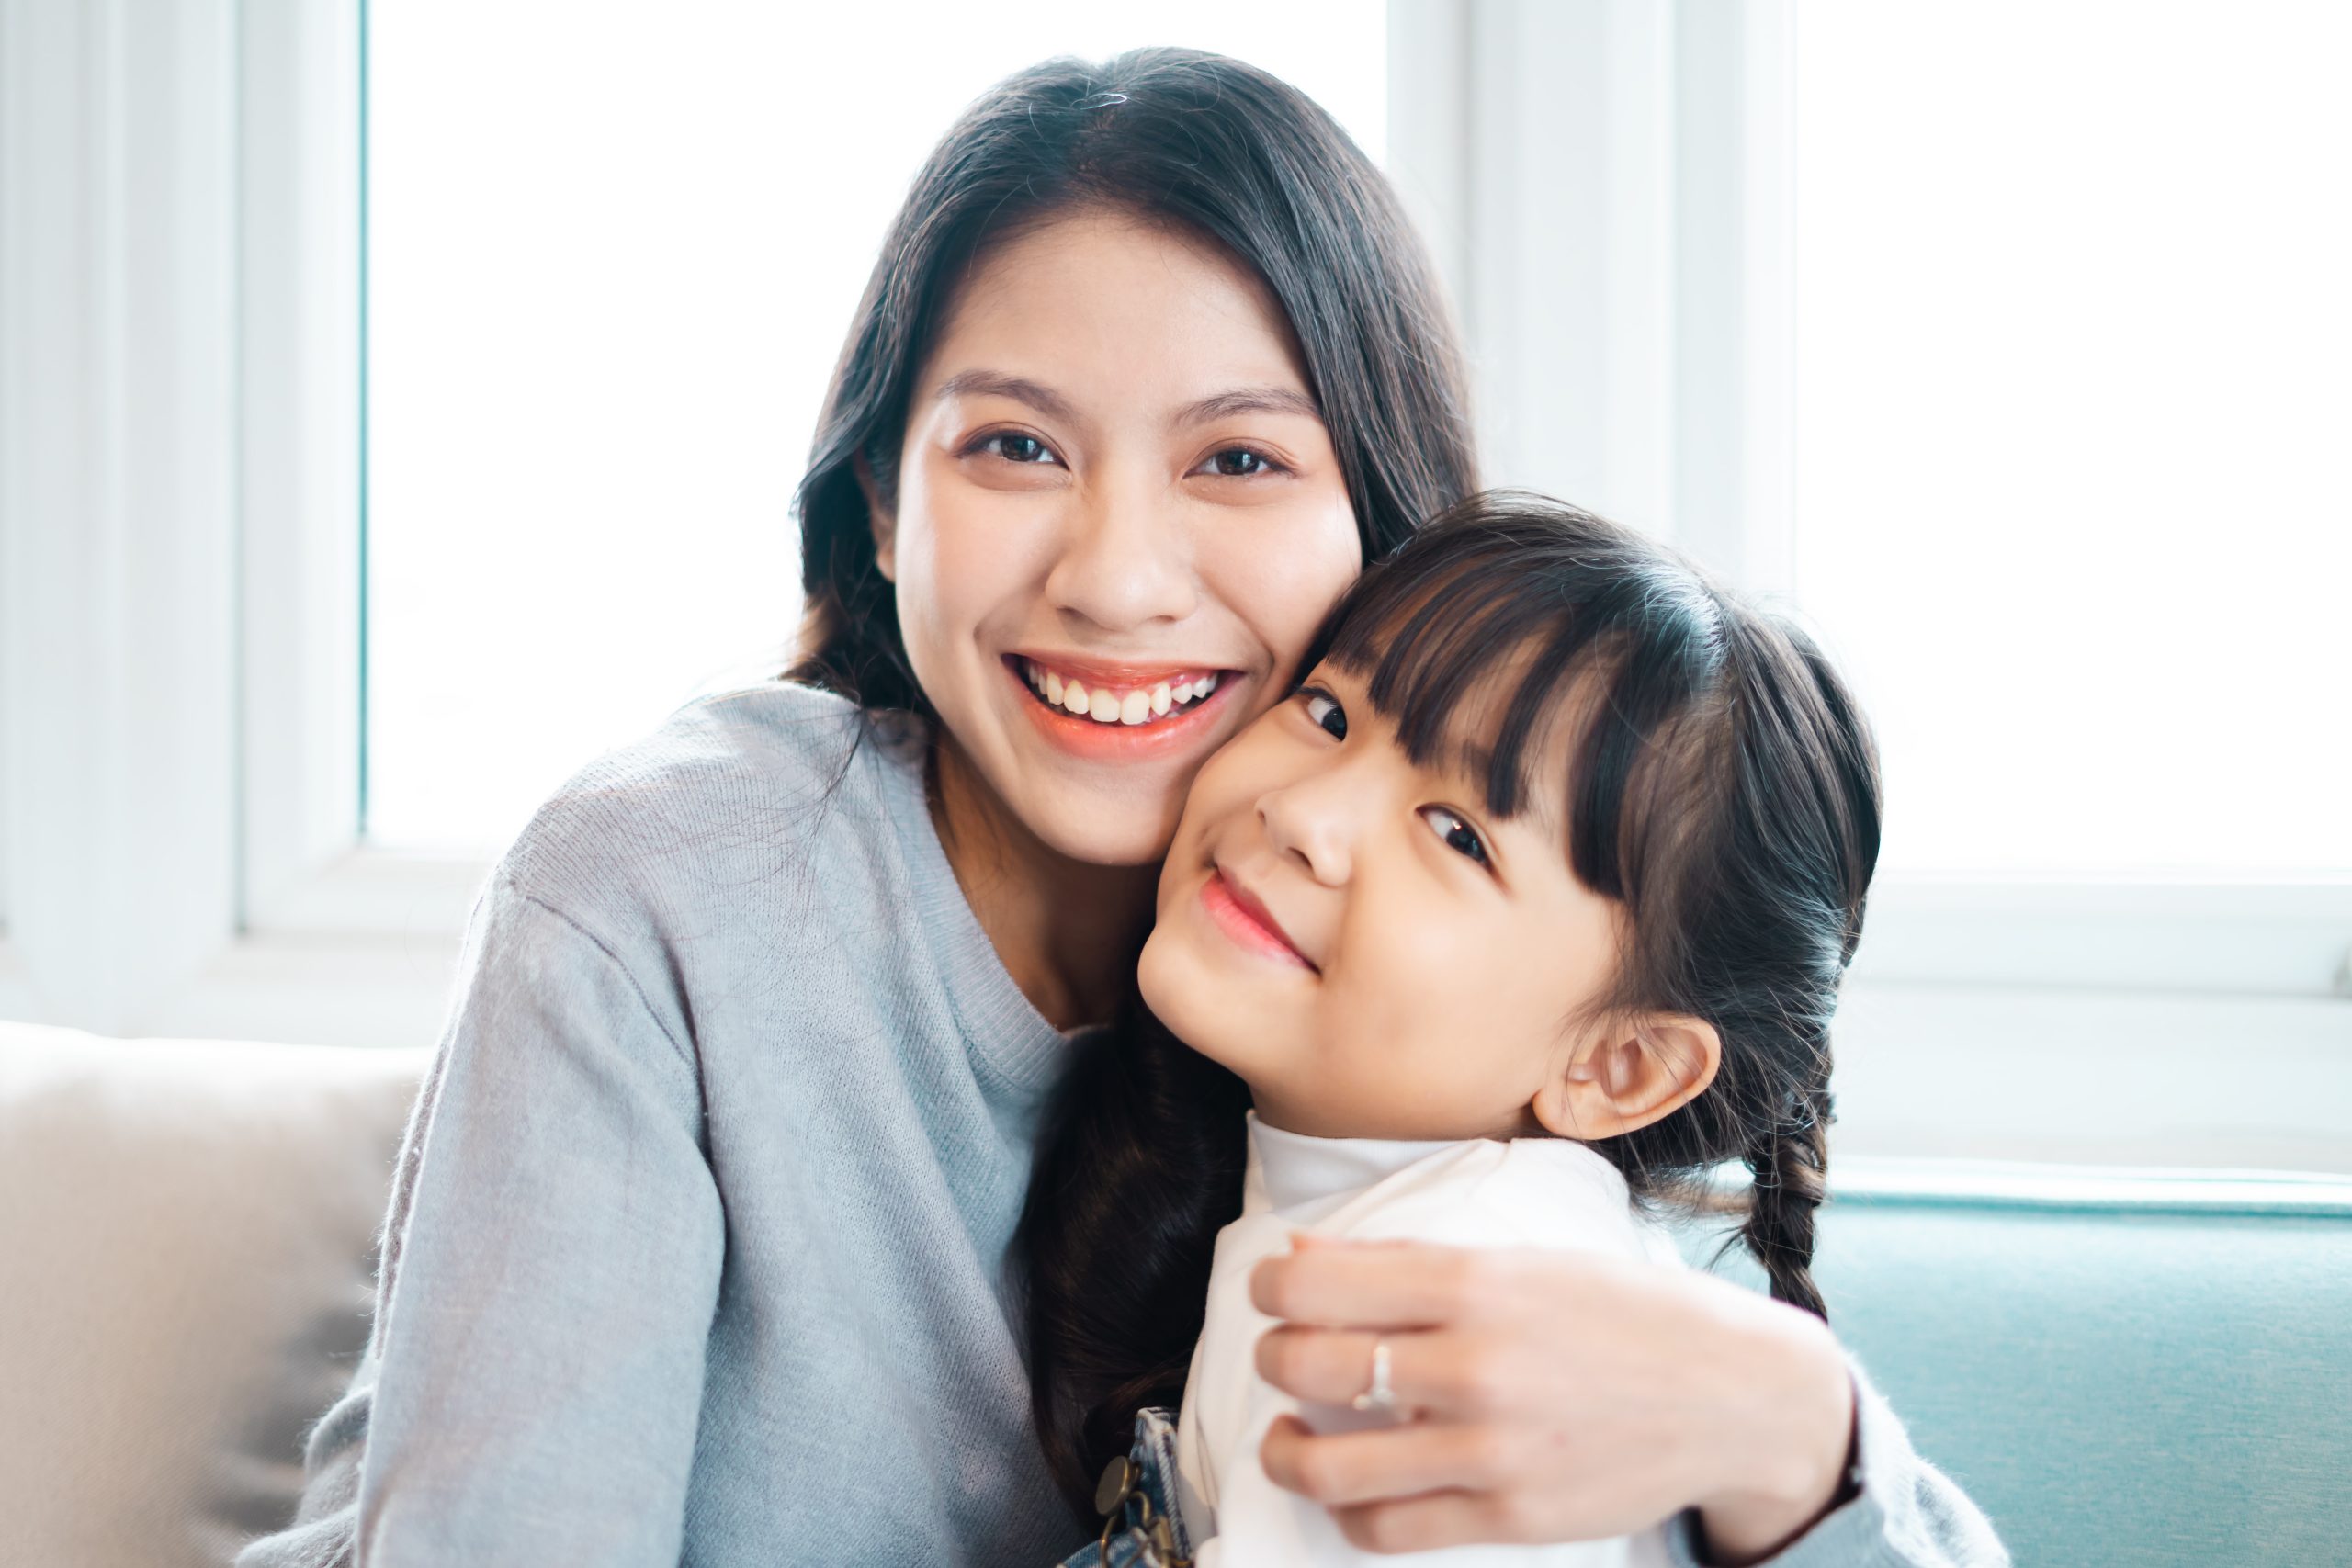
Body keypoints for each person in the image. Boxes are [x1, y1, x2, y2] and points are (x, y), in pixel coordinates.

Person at [241, 49, 1999, 1568]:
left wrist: (1789, 1420)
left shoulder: (1432, 1032)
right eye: (1013, 446)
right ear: (877, 502)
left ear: (1391, 533)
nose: (1118, 576)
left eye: (1237, 458)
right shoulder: (672, 891)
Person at [1027, 495, 2006, 1567]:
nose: (1306, 818)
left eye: (1457, 834)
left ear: (1618, 1066)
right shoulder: (1418, 1219)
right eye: (1330, 714)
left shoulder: (1441, 1298)